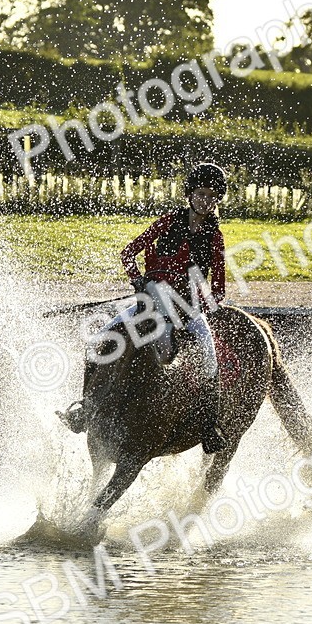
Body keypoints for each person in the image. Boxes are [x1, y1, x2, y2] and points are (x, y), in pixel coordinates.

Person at [59, 162, 229, 454]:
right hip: (149, 302)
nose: (206, 201)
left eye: (213, 196)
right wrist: (137, 281)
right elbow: (128, 252)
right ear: (190, 194)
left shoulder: (215, 237)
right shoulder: (167, 222)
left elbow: (219, 290)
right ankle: (84, 409)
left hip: (187, 311)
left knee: (210, 360)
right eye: (202, 193)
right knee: (98, 342)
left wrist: (192, 305)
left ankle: (209, 425)